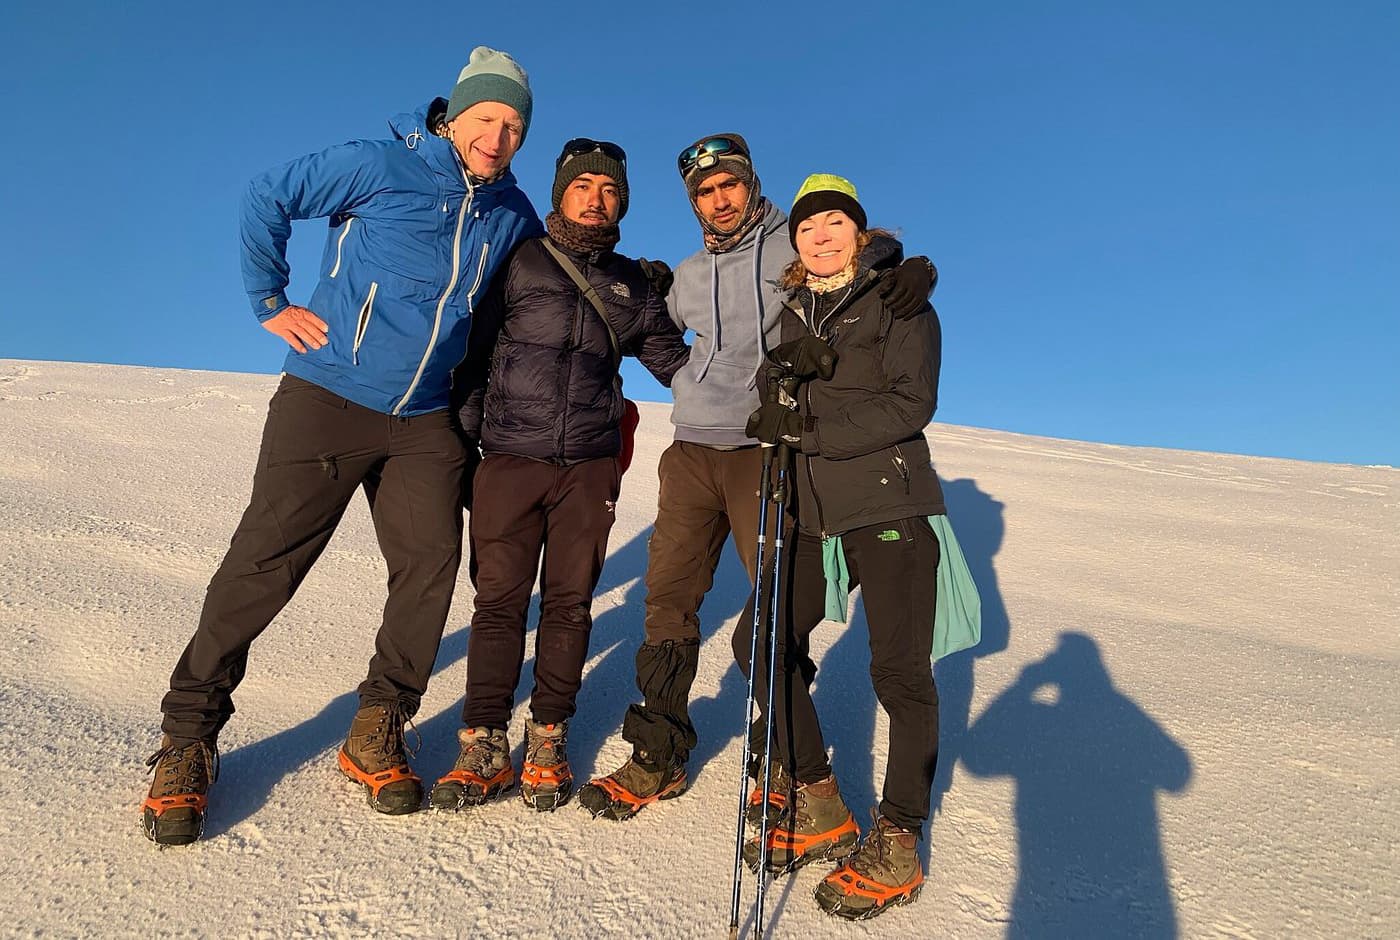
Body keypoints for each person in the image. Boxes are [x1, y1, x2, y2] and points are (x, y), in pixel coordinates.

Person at [140, 48, 542, 846]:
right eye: (486, 119)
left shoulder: (513, 214)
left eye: (514, 125)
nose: (497, 137)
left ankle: (378, 723)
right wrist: (270, 301)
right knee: (265, 565)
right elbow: (268, 194)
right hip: (327, 398)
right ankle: (188, 740)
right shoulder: (380, 165)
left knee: (429, 567)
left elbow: (532, 292)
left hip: (425, 420)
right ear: (454, 116)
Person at [577, 137, 937, 821]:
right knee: (668, 600)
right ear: (694, 203)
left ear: (750, 185)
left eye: (730, 185)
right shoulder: (687, 274)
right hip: (690, 451)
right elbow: (651, 321)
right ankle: (659, 751)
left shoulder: (787, 248)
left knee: (773, 610)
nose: (720, 199)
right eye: (706, 192)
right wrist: (646, 287)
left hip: (765, 452)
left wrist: (902, 263)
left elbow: (845, 256)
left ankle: (785, 762)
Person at [429, 139, 688, 814]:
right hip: (510, 459)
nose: (596, 198)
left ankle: (548, 735)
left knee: (571, 602)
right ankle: (482, 741)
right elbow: (473, 354)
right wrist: (469, 445)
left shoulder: (631, 284)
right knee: (499, 602)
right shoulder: (517, 260)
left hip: (589, 464)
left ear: (621, 203)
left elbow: (680, 368)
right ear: (561, 192)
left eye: (609, 190)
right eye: (584, 186)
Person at [737, 174, 944, 920]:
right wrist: (779, 391)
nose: (819, 236)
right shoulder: (794, 312)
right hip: (812, 515)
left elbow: (912, 401)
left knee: (899, 672)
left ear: (858, 231)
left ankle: (900, 837)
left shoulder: (899, 298)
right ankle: (819, 796)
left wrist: (812, 430)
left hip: (890, 506)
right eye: (806, 227)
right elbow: (774, 403)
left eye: (833, 222)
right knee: (758, 642)